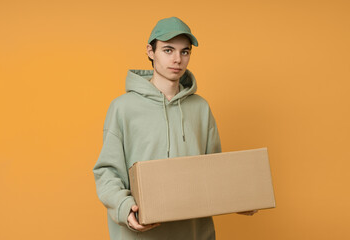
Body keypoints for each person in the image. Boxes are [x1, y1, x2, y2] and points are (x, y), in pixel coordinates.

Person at [93, 16, 256, 240]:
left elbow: (215, 170)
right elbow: (107, 172)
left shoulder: (200, 108)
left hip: (194, 233)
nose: (177, 59)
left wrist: (239, 197)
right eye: (168, 50)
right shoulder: (122, 108)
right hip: (142, 233)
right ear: (151, 51)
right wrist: (124, 208)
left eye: (185, 52)